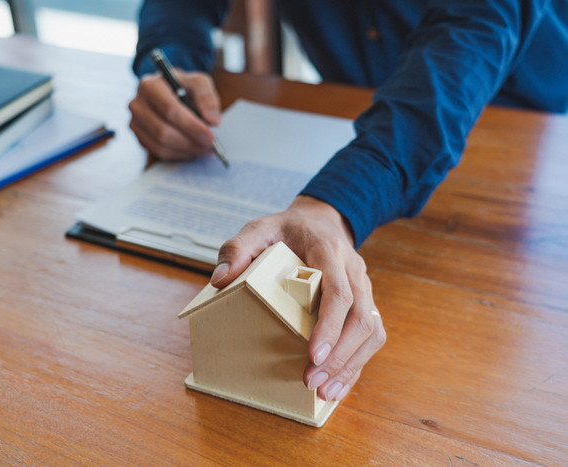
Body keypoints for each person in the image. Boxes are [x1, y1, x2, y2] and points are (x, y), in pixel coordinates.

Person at [127, 0, 568, 403]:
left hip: (516, 121)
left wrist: (333, 205)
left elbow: (470, 35)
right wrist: (168, 59)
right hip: (352, 109)